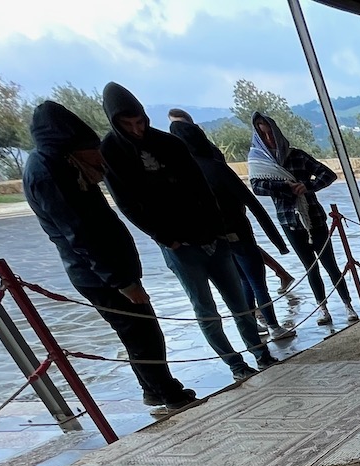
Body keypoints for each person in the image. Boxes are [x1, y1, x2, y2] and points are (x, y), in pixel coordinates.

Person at [22, 101, 197, 414]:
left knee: (143, 331)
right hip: (100, 275)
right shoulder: (50, 172)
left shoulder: (68, 165)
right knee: (141, 333)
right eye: (93, 149)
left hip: (109, 269)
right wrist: (122, 282)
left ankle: (155, 389)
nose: (99, 157)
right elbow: (81, 235)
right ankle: (166, 391)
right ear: (73, 147)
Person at [99, 83, 278, 380]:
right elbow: (128, 206)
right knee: (206, 310)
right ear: (115, 123)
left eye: (140, 122)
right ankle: (235, 363)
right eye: (128, 125)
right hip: (178, 247)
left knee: (239, 302)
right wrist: (167, 239)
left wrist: (218, 230)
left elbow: (203, 189)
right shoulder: (111, 153)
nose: (137, 130)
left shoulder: (170, 144)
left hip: (212, 237)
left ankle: (260, 352)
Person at [169, 118, 296, 342]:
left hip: (215, 240)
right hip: (238, 234)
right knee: (256, 283)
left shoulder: (181, 173)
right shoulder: (215, 168)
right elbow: (252, 203)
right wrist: (278, 242)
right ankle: (274, 326)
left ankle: (252, 329)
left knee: (242, 283)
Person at [248, 112, 359, 327]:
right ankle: (323, 308)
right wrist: (284, 187)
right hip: (289, 221)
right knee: (310, 267)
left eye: (271, 134)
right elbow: (257, 187)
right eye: (265, 136)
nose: (270, 140)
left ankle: (348, 304)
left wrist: (306, 186)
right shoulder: (260, 162)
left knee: (330, 264)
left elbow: (327, 174)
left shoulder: (296, 156)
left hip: (313, 218)